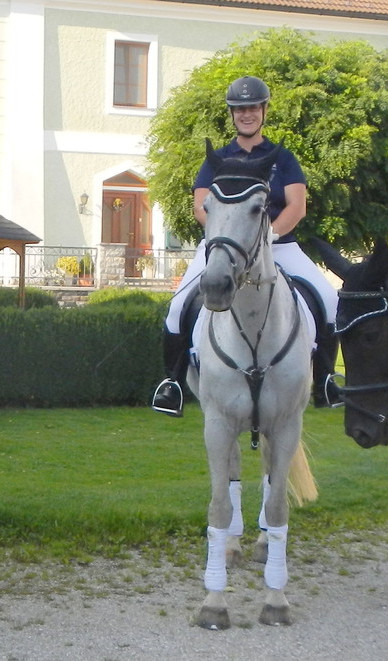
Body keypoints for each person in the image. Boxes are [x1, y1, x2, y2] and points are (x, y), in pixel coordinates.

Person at [151, 75, 338, 417]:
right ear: (232, 114)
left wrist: (268, 237)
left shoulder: (283, 158)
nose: (246, 114)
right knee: (178, 307)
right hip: (226, 248)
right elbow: (200, 206)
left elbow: (297, 206)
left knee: (329, 300)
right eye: (240, 109)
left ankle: (325, 380)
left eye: (253, 107)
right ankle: (172, 384)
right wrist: (231, 239)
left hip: (279, 245)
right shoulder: (218, 159)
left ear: (264, 110)